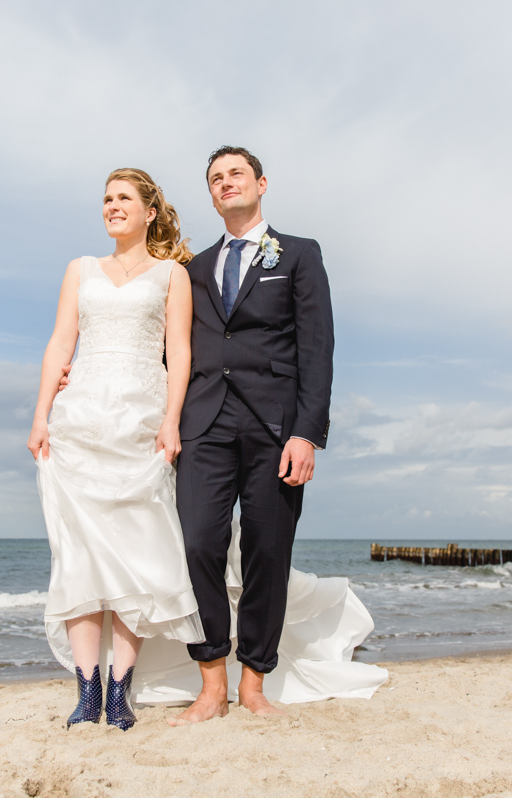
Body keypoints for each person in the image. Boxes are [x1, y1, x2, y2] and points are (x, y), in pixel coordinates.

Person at [28, 167, 203, 732]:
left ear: (150, 211)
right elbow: (61, 341)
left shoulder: (173, 275)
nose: (112, 206)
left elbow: (180, 352)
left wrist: (172, 420)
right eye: (106, 199)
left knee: (136, 552)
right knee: (78, 554)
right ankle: (86, 691)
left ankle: (120, 691)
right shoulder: (80, 270)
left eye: (124, 198)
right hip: (79, 420)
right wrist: (40, 415)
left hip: (141, 420)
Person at [171, 146, 339, 725]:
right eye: (215, 178)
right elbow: (172, 348)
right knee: (197, 546)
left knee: (267, 551)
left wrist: (306, 434)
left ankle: (254, 682)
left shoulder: (299, 255)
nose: (225, 183)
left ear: (261, 183)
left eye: (235, 173)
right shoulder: (192, 269)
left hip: (275, 428)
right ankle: (210, 682)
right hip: (205, 424)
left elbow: (317, 348)